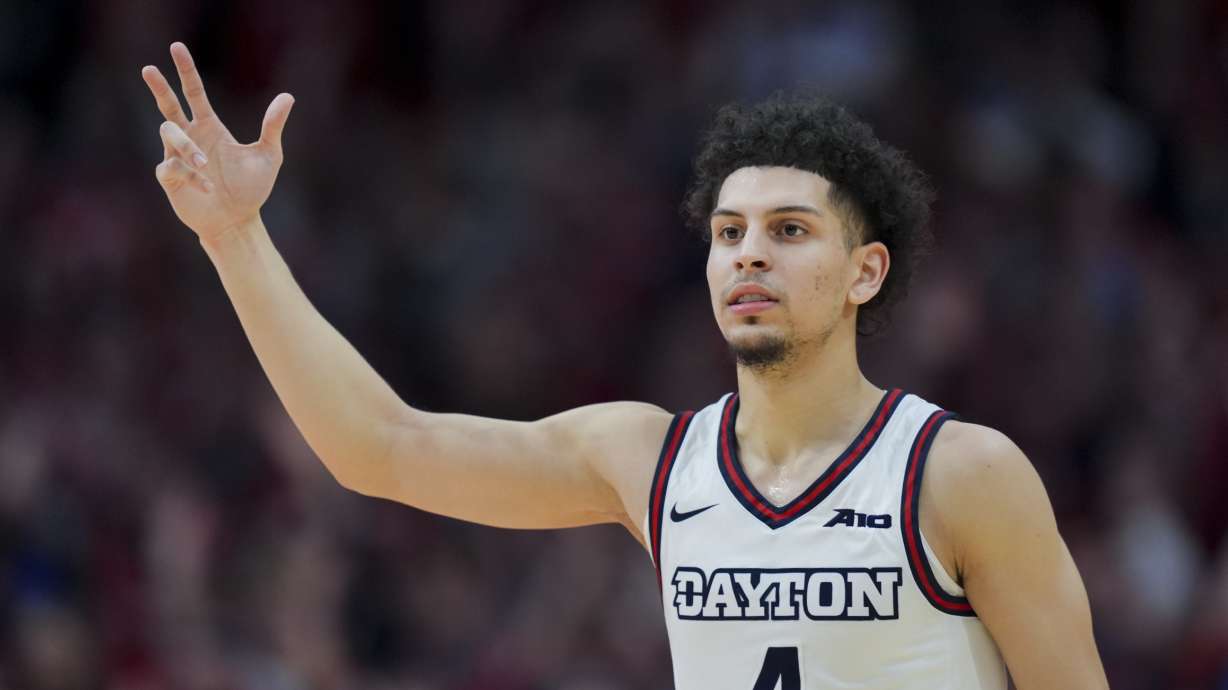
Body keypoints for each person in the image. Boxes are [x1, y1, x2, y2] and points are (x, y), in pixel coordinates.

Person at [141, 41, 1109, 689]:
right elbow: (380, 447)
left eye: (788, 230)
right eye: (728, 232)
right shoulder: (651, 462)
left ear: (865, 271)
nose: (749, 255)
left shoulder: (961, 474)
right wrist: (235, 237)